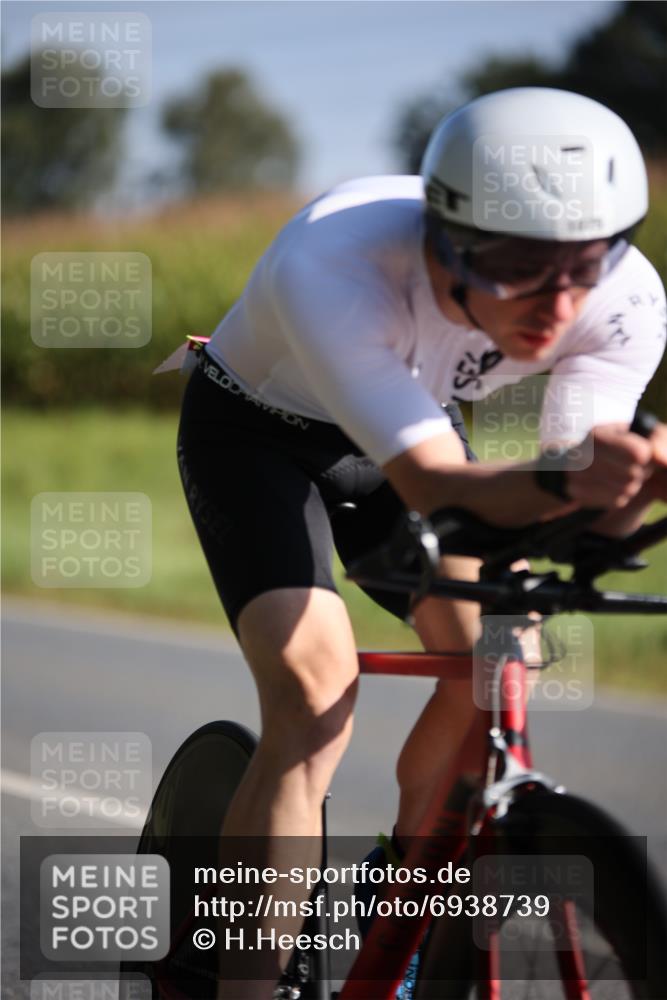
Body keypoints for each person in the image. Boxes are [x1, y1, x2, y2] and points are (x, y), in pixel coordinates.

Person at [174, 87, 667, 998]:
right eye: (517, 267)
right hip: (261, 439)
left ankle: (400, 886)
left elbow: (567, 490)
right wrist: (582, 479)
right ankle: (245, 981)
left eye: (582, 267)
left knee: (500, 651)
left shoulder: (625, 298)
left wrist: (630, 486)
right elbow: (437, 484)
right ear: (444, 238)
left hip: (408, 433)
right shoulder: (338, 259)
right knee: (316, 693)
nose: (555, 304)